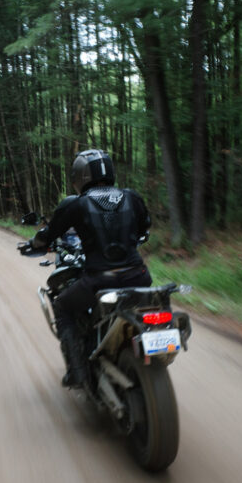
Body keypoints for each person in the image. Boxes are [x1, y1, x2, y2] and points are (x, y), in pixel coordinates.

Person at [26, 149, 152, 388]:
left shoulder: (76, 204)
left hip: (99, 281)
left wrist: (34, 244)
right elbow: (145, 227)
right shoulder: (132, 197)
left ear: (80, 176)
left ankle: (77, 372)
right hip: (140, 276)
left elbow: (49, 234)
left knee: (62, 306)